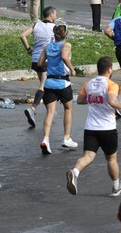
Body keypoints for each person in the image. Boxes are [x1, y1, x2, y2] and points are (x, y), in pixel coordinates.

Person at [66, 56, 121, 197]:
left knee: (88, 156)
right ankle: (116, 187)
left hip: (91, 128)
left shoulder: (89, 84)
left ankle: (75, 172)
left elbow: (80, 100)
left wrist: (94, 98)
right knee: (111, 159)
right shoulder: (111, 84)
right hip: (107, 129)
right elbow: (113, 101)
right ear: (109, 70)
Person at [37, 24, 77, 154]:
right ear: (65, 34)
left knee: (49, 112)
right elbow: (65, 57)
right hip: (63, 82)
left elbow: (40, 63)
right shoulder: (66, 45)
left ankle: (46, 139)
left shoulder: (48, 47)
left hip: (49, 83)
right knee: (68, 109)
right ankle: (66, 137)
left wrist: (50, 63)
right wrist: (72, 69)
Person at [20, 6, 57, 128]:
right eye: (55, 14)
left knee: (44, 84)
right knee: (43, 85)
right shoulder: (54, 28)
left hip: (35, 59)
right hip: (46, 60)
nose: (55, 17)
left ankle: (50, 110)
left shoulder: (37, 25)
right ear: (51, 15)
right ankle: (33, 108)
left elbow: (22, 35)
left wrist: (28, 49)